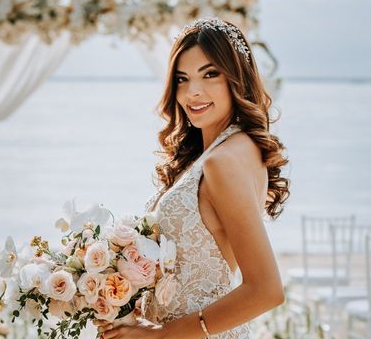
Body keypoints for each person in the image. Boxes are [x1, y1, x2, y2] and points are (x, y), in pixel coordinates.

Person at [99, 17, 289, 338]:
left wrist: (160, 336)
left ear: (236, 78)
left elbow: (267, 290)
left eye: (210, 74)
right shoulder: (233, 147)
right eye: (182, 79)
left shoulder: (223, 161)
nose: (193, 92)